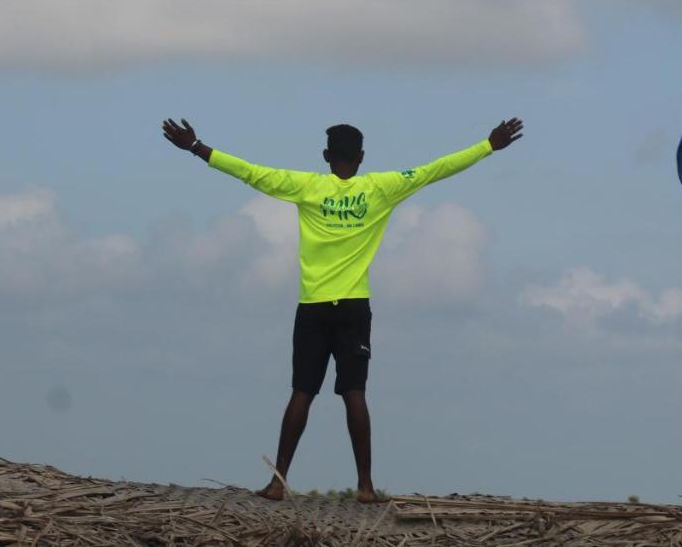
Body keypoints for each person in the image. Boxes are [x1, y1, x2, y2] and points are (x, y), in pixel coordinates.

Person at [160, 116, 524, 502]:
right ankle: (365, 487)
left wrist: (196, 147)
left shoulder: (307, 187)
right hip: (353, 307)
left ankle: (276, 483)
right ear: (362, 157)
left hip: (312, 307)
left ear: (325, 156)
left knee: (302, 392)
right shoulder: (382, 188)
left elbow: (251, 173)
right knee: (354, 392)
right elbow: (437, 169)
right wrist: (488, 146)